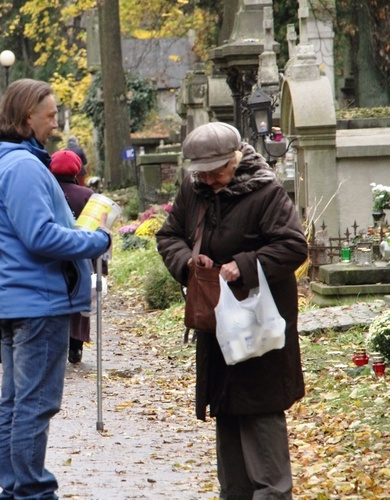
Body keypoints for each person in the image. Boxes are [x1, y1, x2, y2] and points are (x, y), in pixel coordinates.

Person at [0, 79, 112, 498]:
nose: (55, 123)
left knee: (16, 402)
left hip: (18, 298)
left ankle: (14, 488)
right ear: (28, 116)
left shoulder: (1, 162)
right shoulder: (23, 166)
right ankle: (31, 490)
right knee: (35, 403)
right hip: (39, 300)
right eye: (50, 116)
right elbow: (41, 237)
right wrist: (96, 240)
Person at [155, 121, 308, 499]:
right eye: (203, 173)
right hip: (217, 322)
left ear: (236, 160)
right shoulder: (195, 190)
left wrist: (243, 264)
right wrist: (190, 263)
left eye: (217, 172)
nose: (209, 180)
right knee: (227, 411)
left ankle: (272, 494)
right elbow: (169, 235)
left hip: (260, 324)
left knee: (261, 409)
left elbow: (292, 246)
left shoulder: (266, 191)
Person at [48, 150, 95, 364]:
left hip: (53, 255)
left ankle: (57, 342)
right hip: (80, 256)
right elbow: (95, 230)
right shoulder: (86, 196)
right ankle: (76, 345)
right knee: (79, 299)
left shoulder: (46, 192)